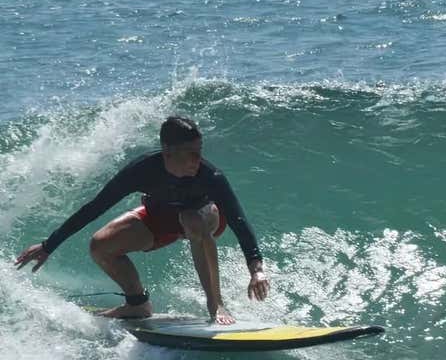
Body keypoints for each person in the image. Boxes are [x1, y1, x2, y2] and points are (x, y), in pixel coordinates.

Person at [15, 116, 269, 325]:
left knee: (191, 218)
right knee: (100, 246)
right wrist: (49, 245)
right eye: (190, 153)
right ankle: (137, 304)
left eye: (199, 152)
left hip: (205, 217)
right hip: (162, 218)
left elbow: (238, 221)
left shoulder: (209, 176)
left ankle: (216, 304)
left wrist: (256, 270)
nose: (197, 160)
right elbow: (94, 207)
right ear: (168, 151)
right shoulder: (142, 170)